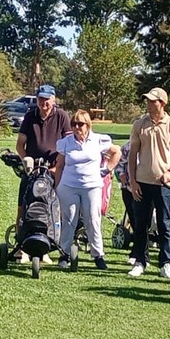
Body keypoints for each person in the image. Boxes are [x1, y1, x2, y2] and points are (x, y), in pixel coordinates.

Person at [127, 87, 170, 280]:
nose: (149, 103)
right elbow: (132, 154)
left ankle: (165, 263)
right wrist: (133, 181)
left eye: (153, 101)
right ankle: (140, 261)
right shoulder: (139, 124)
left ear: (162, 103)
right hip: (142, 182)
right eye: (148, 100)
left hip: (163, 184)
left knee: (164, 223)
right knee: (140, 223)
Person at [53, 110, 121, 270]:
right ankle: (65, 254)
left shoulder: (98, 140)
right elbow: (60, 165)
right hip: (69, 186)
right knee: (69, 221)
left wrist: (108, 169)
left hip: (92, 186)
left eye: (80, 124)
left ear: (88, 125)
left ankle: (98, 255)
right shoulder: (66, 142)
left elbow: (116, 152)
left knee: (93, 220)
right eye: (74, 124)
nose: (77, 127)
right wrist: (57, 185)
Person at [15, 84, 71, 262]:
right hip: (32, 170)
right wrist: (26, 162)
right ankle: (22, 247)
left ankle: (44, 247)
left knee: (50, 208)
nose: (43, 102)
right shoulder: (30, 116)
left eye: (47, 99)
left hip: (53, 170)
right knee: (23, 207)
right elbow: (20, 144)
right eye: (40, 98)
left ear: (53, 100)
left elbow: (68, 144)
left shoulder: (61, 116)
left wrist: (58, 167)